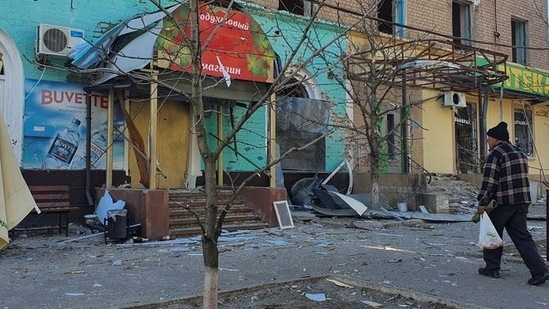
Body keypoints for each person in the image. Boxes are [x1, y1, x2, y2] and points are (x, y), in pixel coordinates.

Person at [476, 121, 549, 285]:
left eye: (489, 138)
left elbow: (489, 182)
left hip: (503, 201)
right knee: (522, 236)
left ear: (496, 139)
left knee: (492, 233)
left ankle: (492, 268)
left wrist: (482, 202)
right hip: (522, 201)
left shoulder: (495, 155)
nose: (488, 141)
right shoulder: (520, 153)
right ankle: (540, 271)